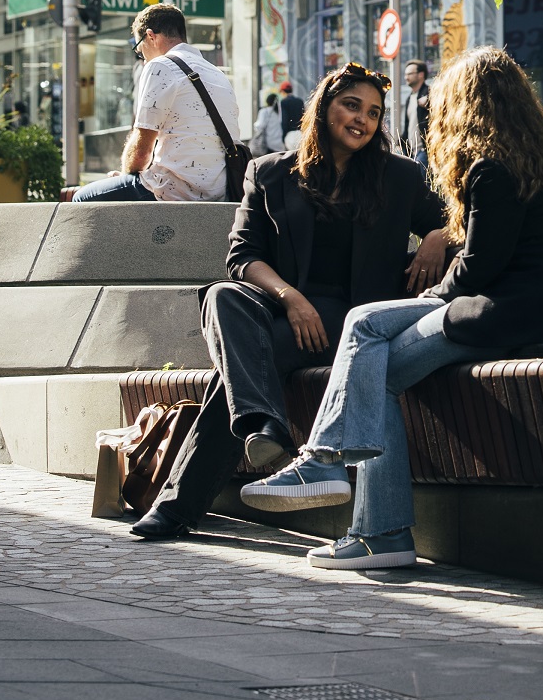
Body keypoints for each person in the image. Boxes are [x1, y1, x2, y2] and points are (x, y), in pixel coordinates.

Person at [241, 45, 543, 572]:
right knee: (374, 359)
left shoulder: (492, 169)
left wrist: (425, 299)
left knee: (366, 327)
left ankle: (340, 484)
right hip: (535, 312)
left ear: (469, 102)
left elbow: (477, 270)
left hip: (502, 317)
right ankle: (366, 521)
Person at [129, 64, 450, 541]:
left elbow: (462, 220)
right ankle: (262, 425)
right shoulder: (271, 173)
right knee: (222, 296)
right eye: (352, 106)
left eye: (374, 113)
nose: (362, 119)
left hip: (352, 325)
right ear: (323, 109)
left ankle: (196, 491)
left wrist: (437, 236)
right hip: (283, 312)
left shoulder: (399, 177)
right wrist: (292, 298)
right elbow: (242, 256)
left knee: (236, 375)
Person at [73, 4, 243, 203]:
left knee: (82, 198)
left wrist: (127, 176)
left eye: (139, 49)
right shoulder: (216, 72)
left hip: (174, 191)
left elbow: (141, 152)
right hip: (221, 191)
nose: (142, 58)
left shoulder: (160, 66)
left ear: (151, 36)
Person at [399, 60, 431, 166]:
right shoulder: (410, 98)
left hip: (424, 150)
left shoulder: (430, 93)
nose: (406, 77)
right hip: (412, 152)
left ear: (421, 75)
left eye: (409, 74)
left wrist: (430, 99)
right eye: (405, 74)